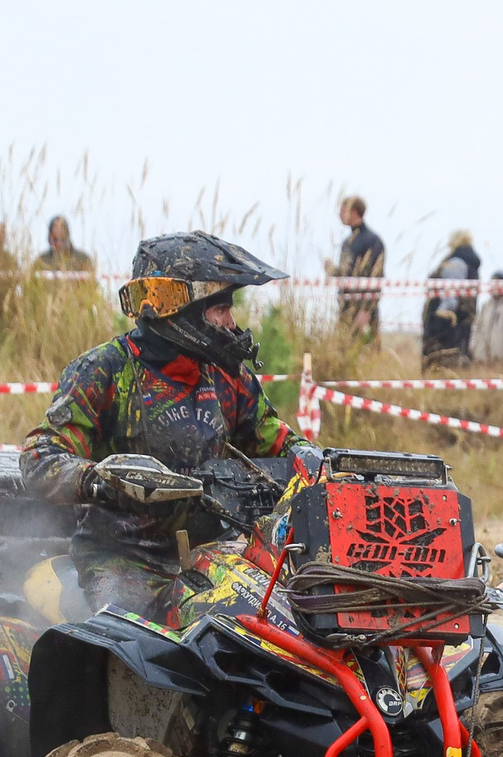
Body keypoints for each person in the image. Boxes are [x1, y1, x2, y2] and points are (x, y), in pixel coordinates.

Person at [20, 231, 321, 623]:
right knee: (126, 638)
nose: (231, 322)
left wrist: (314, 460)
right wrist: (101, 479)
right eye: (220, 309)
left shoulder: (227, 376)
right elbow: (39, 457)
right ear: (175, 305)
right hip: (128, 557)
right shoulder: (106, 370)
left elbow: (273, 439)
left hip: (219, 551)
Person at [421, 230, 480, 366]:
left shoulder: (456, 263)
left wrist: (439, 317)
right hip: (462, 320)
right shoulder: (470, 262)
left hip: (446, 324)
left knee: (440, 362)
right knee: (458, 359)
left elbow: (450, 296)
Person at [333, 195, 387, 339]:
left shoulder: (372, 241)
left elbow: (376, 277)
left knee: (366, 351)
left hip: (363, 309)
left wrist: (366, 310)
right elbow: (348, 272)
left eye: (343, 210)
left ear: (354, 212)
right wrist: (332, 271)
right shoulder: (348, 241)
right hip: (345, 306)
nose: (339, 214)